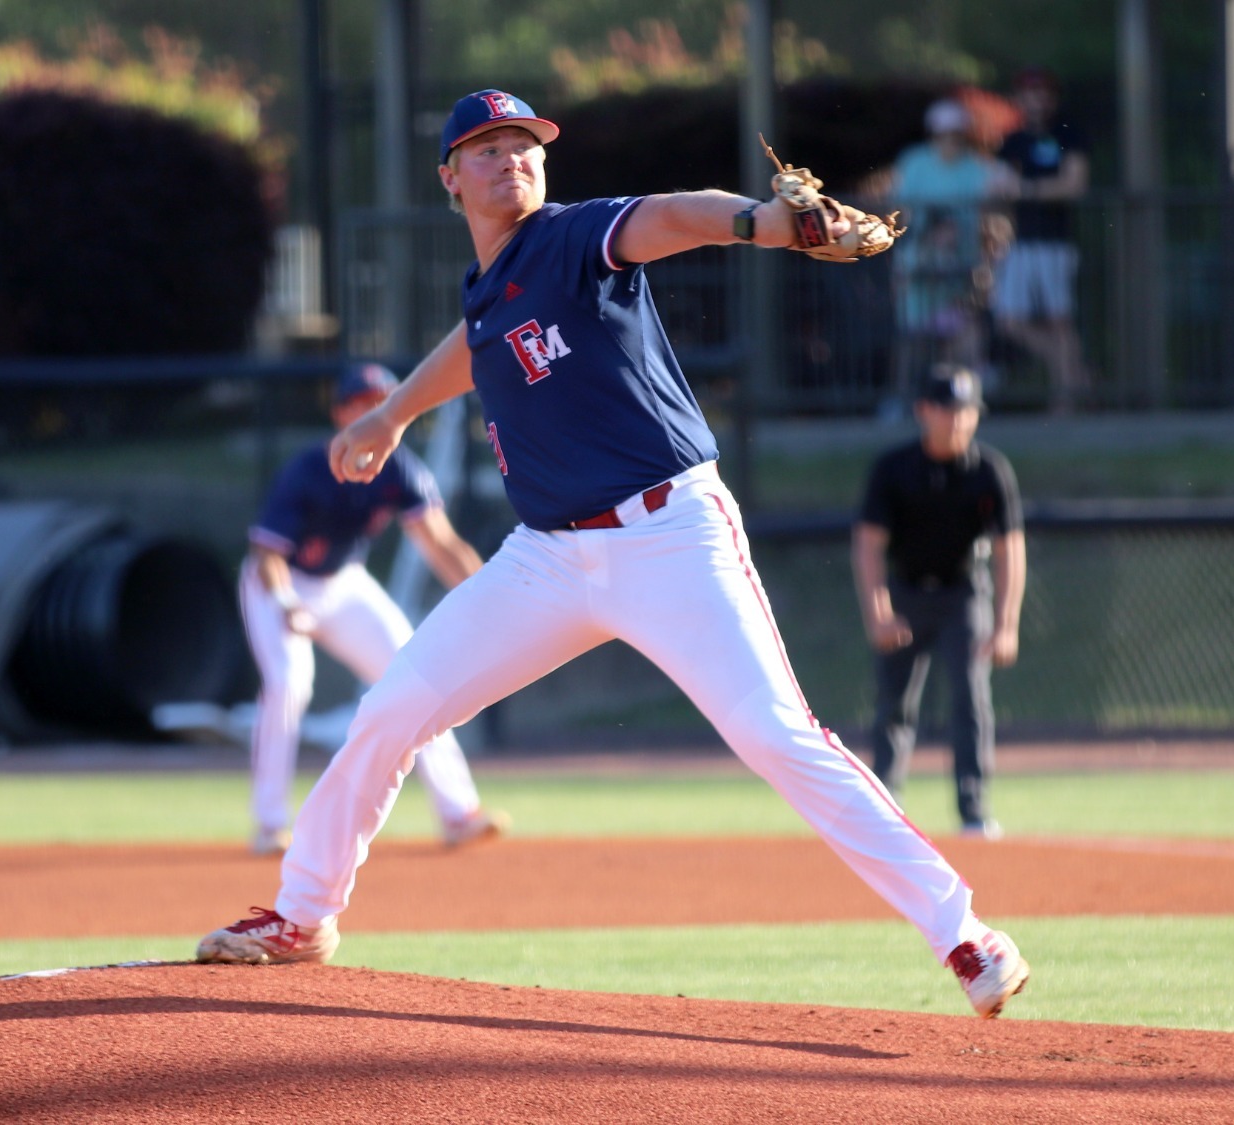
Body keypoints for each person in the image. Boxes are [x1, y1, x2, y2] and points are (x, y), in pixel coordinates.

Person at [196, 89, 1029, 1020]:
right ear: (450, 178)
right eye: (486, 148)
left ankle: (964, 932)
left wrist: (758, 223)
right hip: (547, 558)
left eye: (523, 144)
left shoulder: (571, 235)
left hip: (669, 534)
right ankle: (304, 913)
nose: (511, 158)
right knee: (392, 707)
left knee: (775, 734)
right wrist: (392, 412)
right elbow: (477, 344)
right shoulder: (490, 285)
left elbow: (670, 216)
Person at [239, 360, 509, 856]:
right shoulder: (309, 470)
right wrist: (286, 603)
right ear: (340, 414)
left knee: (416, 678)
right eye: (362, 403)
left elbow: (441, 544)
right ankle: (270, 823)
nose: (374, 411)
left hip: (344, 585)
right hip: (278, 585)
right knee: (288, 684)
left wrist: (494, 598)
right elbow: (266, 556)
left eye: (383, 402)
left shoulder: (400, 468)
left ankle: (459, 814)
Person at [852, 366, 1025, 839]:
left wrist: (1006, 624)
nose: (958, 420)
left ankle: (974, 810)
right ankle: (885, 809)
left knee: (971, 699)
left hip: (963, 596)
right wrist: (879, 613)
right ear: (923, 411)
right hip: (906, 594)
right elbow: (868, 545)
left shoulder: (989, 471)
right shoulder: (894, 469)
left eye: (967, 411)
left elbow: (1010, 550)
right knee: (894, 704)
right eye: (948, 409)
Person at [868, 99, 999, 414]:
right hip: (918, 266)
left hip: (961, 269)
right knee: (911, 341)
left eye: (956, 133)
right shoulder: (914, 162)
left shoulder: (978, 167)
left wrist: (982, 260)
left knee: (964, 339)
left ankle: (968, 402)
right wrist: (925, 238)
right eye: (943, 134)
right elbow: (901, 209)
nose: (949, 140)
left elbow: (990, 215)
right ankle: (900, 400)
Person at [992, 68, 1091, 414]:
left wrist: (1028, 190)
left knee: (1058, 319)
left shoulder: (1068, 134)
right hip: (1020, 243)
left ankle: (1067, 396)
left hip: (1055, 243)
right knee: (1010, 321)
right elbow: (1000, 187)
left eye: (1043, 93)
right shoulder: (1012, 140)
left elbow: (1074, 184)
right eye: (1030, 94)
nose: (1037, 101)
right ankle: (1075, 375)